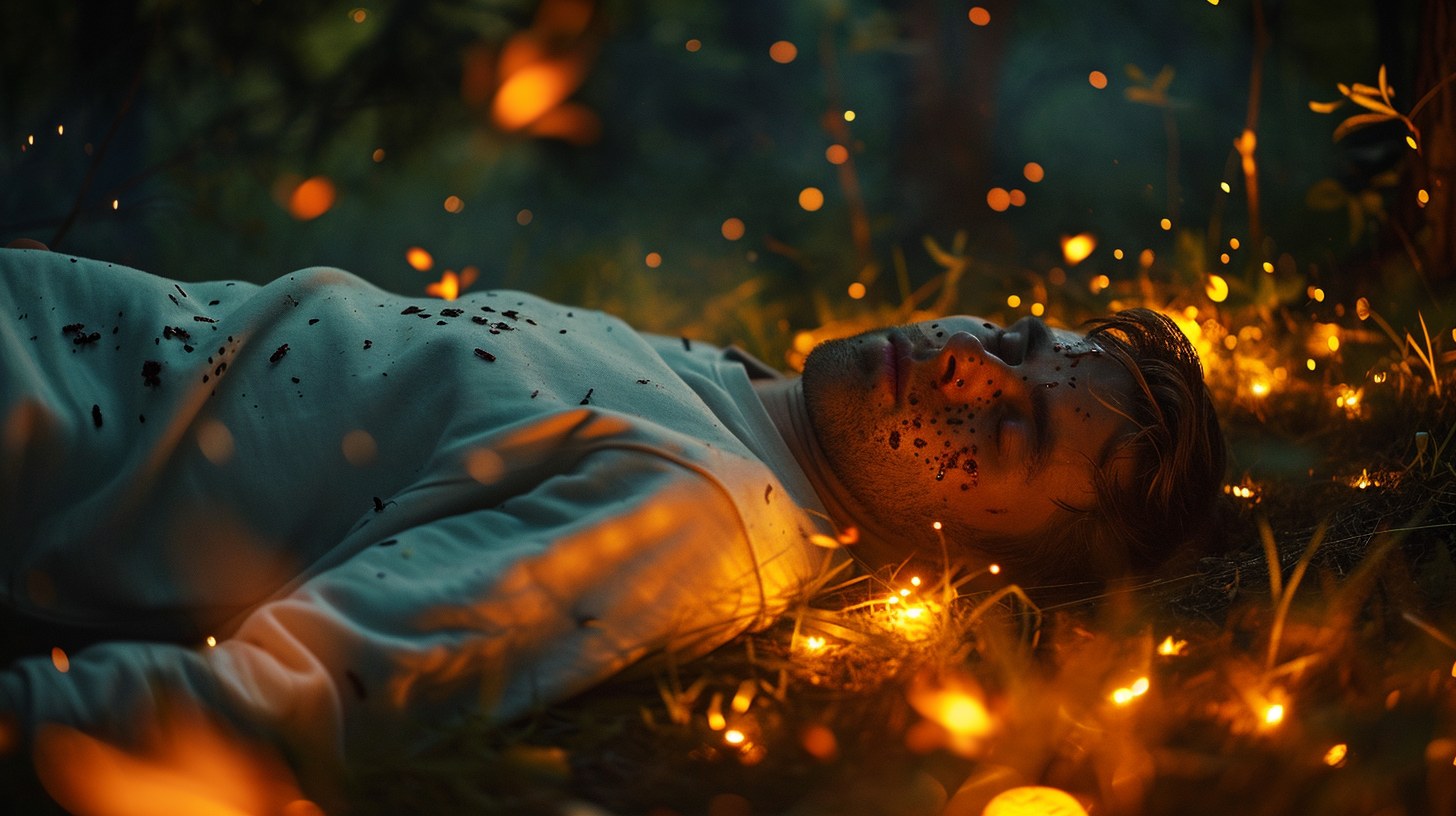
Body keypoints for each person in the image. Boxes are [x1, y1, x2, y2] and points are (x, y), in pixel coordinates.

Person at [0, 244, 1223, 805]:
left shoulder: (703, 518)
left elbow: (272, 715)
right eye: (1012, 341)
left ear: (973, 550)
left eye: (1007, 432)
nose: (970, 368)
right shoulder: (733, 394)